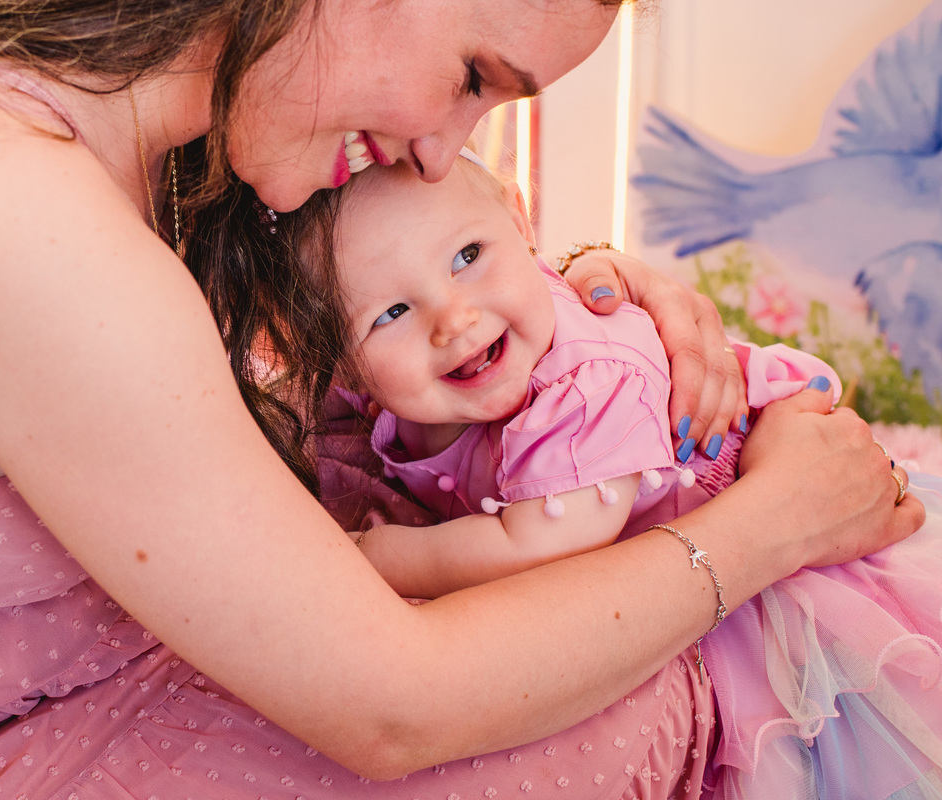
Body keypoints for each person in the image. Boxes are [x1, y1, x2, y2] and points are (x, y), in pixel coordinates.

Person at [0, 0, 919, 797]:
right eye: (473, 76)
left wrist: (579, 296)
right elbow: (396, 710)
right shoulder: (1, 208)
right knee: (630, 685)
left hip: (63, 668)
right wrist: (774, 524)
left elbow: (381, 298)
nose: (440, 149)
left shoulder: (144, 128)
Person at [259, 152, 942, 797]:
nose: (454, 318)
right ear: (338, 359)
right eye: (391, 313)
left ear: (520, 221)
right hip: (662, 553)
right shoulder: (376, 383)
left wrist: (378, 557)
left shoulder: (587, 382)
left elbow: (544, 543)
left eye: (469, 256)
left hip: (776, 563)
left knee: (826, 747)